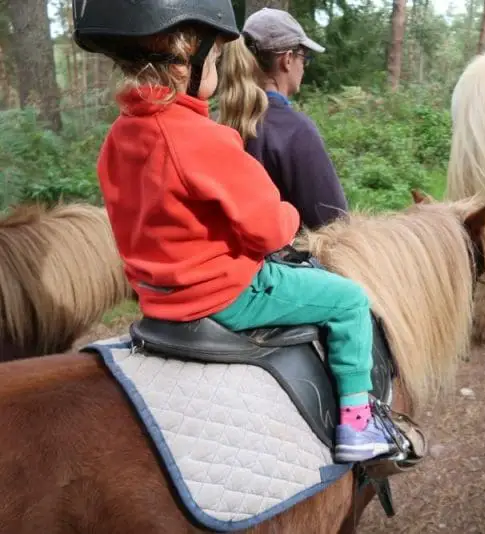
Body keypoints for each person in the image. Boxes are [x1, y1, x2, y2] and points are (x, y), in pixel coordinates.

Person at [72, 0, 399, 464]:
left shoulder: (120, 136)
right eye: (219, 59)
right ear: (189, 57)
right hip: (225, 294)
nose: (221, 71)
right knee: (349, 301)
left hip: (157, 298)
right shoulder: (200, 138)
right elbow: (268, 232)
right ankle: (357, 424)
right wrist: (287, 214)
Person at [217, 8, 347, 230]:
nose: (304, 66)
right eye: (304, 57)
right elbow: (334, 223)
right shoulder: (295, 130)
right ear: (287, 59)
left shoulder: (219, 122)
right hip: (283, 261)